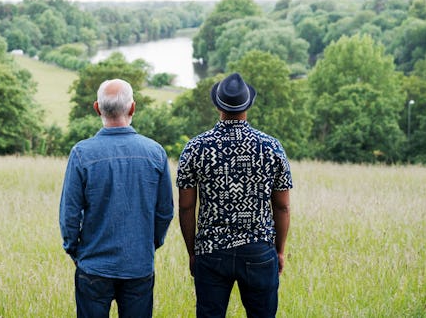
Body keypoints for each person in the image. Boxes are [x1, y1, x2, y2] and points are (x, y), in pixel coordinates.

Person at [177, 73, 292, 318]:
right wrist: (279, 251)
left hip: (211, 250)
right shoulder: (271, 147)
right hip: (259, 250)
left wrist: (193, 252)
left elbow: (186, 207)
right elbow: (282, 207)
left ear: (217, 105)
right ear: (248, 106)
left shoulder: (195, 148)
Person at [59, 78, 174, 318]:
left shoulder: (81, 153)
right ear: (133, 108)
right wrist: (149, 244)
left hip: (93, 265)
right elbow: (165, 211)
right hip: (138, 265)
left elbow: (69, 214)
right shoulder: (155, 152)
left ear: (97, 108)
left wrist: (74, 250)